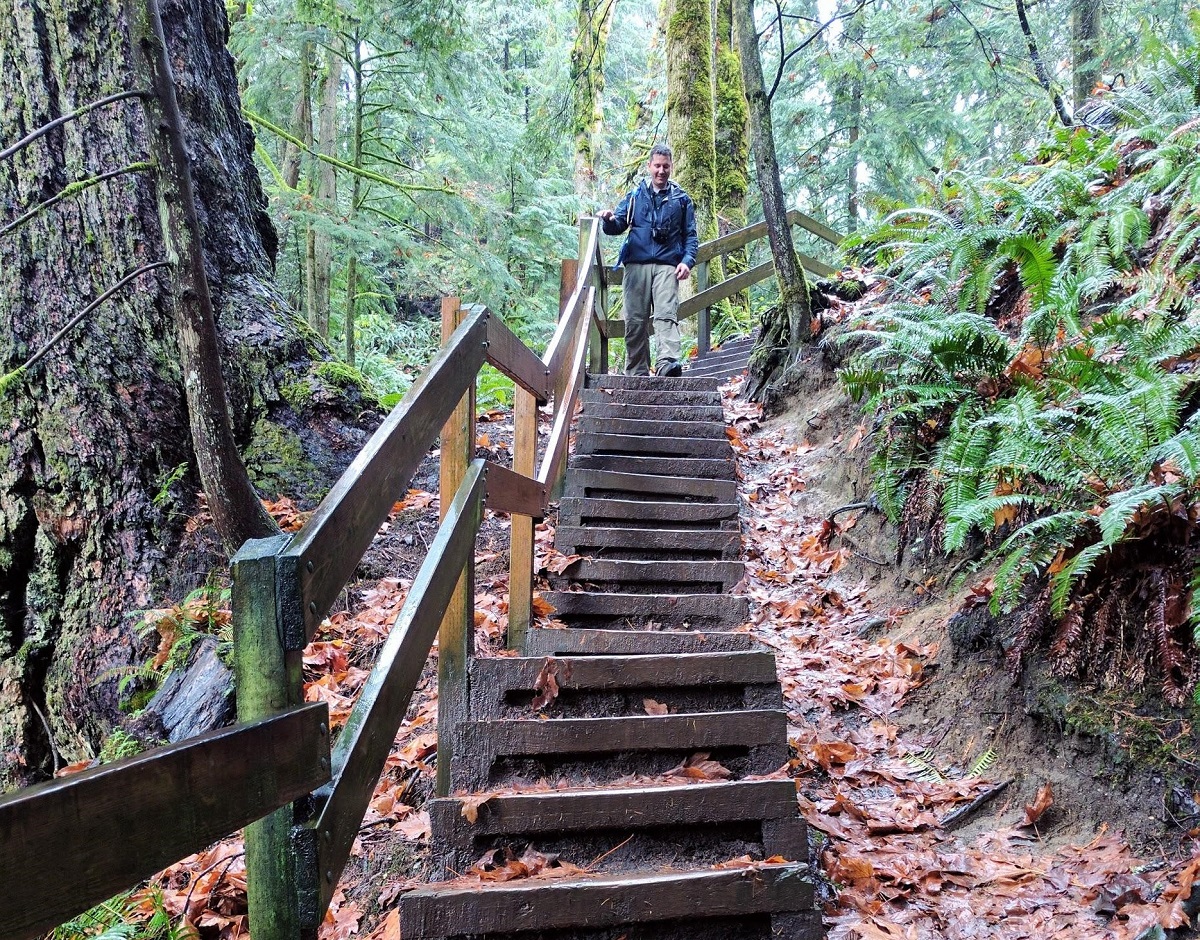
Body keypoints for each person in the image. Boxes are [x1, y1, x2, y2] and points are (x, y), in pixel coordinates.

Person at [598, 144, 699, 377]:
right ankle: (636, 371)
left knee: (666, 315)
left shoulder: (682, 199)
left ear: (671, 166)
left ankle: (667, 364)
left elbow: (691, 236)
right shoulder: (635, 196)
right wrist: (608, 219)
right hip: (636, 265)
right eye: (657, 166)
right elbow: (617, 225)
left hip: (667, 265)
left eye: (665, 166)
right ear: (649, 166)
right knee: (635, 320)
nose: (661, 171)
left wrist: (687, 261)